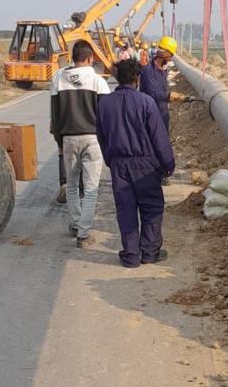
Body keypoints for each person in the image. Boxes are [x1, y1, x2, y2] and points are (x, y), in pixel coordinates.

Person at [96, 58, 175, 268]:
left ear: (118, 78)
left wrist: (110, 161)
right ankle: (149, 252)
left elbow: (101, 136)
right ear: (137, 78)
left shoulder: (104, 103)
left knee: (126, 209)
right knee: (151, 207)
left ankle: (131, 255)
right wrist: (168, 164)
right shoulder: (146, 102)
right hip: (145, 164)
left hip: (119, 165)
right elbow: (159, 137)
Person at [50, 40, 109, 246]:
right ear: (90, 58)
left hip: (68, 138)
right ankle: (83, 234)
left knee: (72, 185)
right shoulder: (98, 81)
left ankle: (75, 224)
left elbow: (55, 116)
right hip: (93, 139)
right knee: (91, 189)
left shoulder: (58, 78)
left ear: (72, 58)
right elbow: (107, 116)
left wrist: (59, 141)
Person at [139, 34, 177, 133]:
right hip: (151, 116)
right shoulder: (148, 71)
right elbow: (154, 94)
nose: (170, 59)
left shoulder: (163, 70)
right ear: (166, 54)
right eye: (170, 56)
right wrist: (170, 96)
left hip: (162, 113)